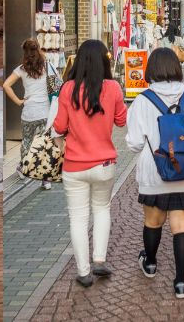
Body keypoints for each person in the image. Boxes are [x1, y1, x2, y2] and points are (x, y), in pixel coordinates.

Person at [126, 48, 184, 299]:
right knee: (182, 225)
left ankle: (150, 263)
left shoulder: (142, 100)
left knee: (153, 222)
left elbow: (135, 143)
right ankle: (181, 282)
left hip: (155, 170)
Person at [52, 40, 129, 287]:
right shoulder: (114, 87)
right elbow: (121, 121)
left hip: (74, 165)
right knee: (102, 210)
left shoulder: (68, 89)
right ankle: (99, 260)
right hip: (105, 163)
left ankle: (83, 272)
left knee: (78, 218)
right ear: (104, 61)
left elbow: (59, 127)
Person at [4, 39, 54, 188]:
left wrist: (18, 101)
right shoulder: (47, 66)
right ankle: (46, 179)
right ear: (38, 50)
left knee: (26, 142)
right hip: (45, 112)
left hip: (29, 113)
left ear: (24, 52)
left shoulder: (21, 69)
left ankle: (22, 168)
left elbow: (6, 85)